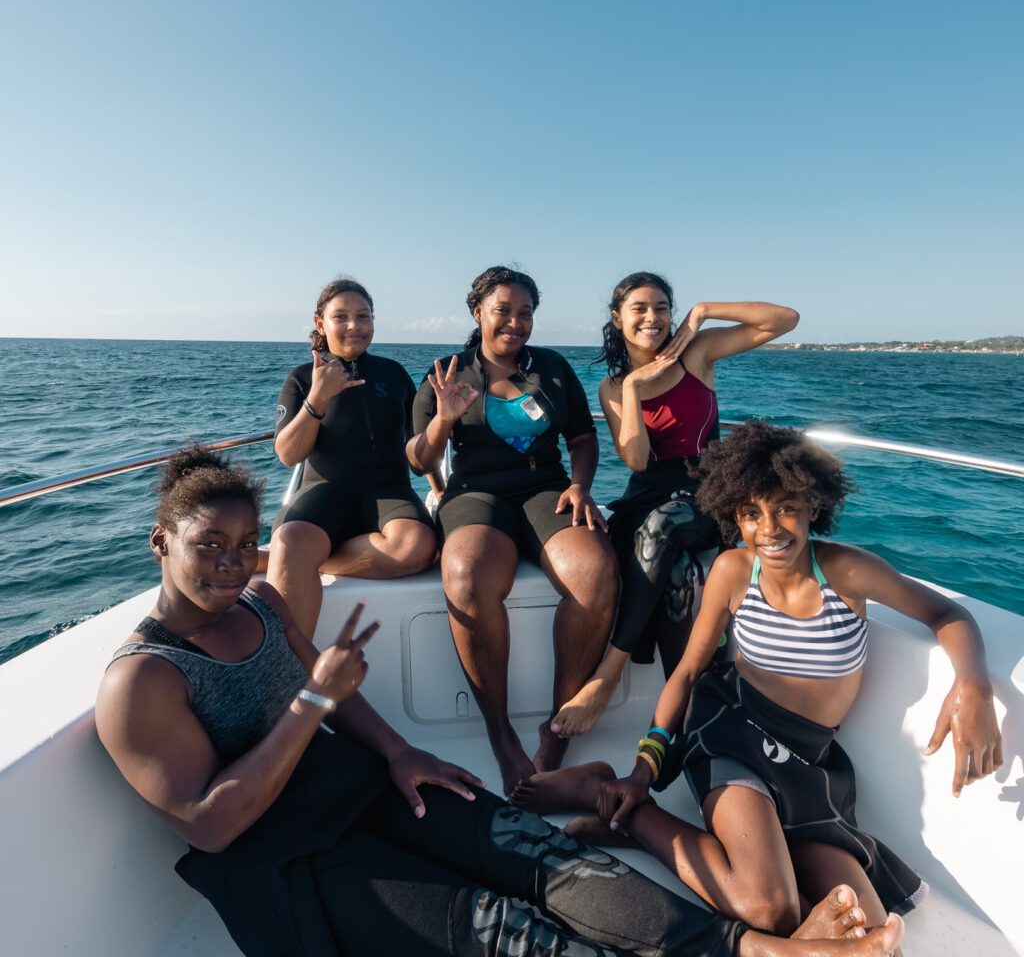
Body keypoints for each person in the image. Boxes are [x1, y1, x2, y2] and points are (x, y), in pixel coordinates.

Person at [94, 446, 907, 957]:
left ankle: (756, 952)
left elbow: (338, 700)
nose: (235, 564)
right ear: (159, 543)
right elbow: (212, 821)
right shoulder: (143, 680)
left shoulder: (264, 606)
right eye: (210, 546)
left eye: (246, 544)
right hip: (285, 857)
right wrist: (312, 701)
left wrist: (399, 752)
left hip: (355, 784)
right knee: (508, 929)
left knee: (546, 856)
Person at [513, 421, 1002, 947]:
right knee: (769, 907)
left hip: (809, 769)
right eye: (750, 513)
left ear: (814, 506)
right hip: (731, 737)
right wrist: (641, 771)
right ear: (734, 518)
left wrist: (972, 686)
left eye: (785, 507)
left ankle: (734, 865)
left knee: (872, 926)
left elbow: (947, 613)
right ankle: (617, 802)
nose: (770, 527)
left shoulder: (849, 573)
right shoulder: (732, 571)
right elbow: (689, 672)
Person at [551, 275, 799, 737]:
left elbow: (784, 319)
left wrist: (704, 308)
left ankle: (608, 675)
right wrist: (633, 388)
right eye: (640, 308)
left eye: (662, 308)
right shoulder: (611, 388)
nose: (652, 318)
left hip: (712, 491)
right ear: (617, 317)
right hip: (647, 496)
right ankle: (686, 718)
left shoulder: (698, 352)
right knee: (678, 572)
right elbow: (638, 460)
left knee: (665, 529)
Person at [407, 266, 620, 796]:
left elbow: (583, 438)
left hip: (546, 490)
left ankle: (557, 729)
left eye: (526, 312)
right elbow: (418, 459)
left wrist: (581, 485)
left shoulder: (549, 368)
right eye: (504, 309)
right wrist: (445, 419)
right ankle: (500, 734)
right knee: (467, 574)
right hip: (475, 492)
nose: (516, 322)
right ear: (477, 310)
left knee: (595, 571)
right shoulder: (446, 372)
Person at [266, 278, 436, 637]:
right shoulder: (301, 378)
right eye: (340, 316)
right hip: (325, 491)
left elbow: (416, 442)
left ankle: (292, 560)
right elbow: (287, 454)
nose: (354, 326)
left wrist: (440, 487)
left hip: (389, 491)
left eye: (363, 316)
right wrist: (317, 399)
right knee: (290, 541)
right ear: (320, 324)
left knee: (417, 547)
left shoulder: (393, 374)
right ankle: (291, 674)